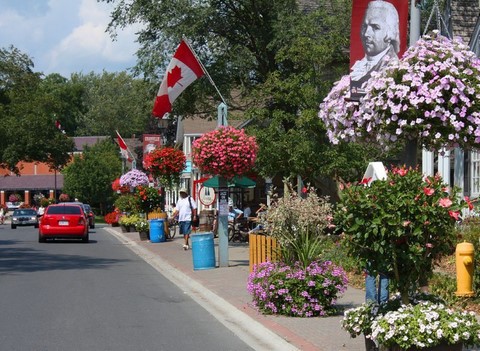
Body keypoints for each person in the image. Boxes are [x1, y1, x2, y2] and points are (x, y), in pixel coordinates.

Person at [350, 0, 400, 96]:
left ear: (390, 33)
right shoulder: (359, 65)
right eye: (365, 26)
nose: (366, 34)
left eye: (375, 27)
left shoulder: (393, 65)